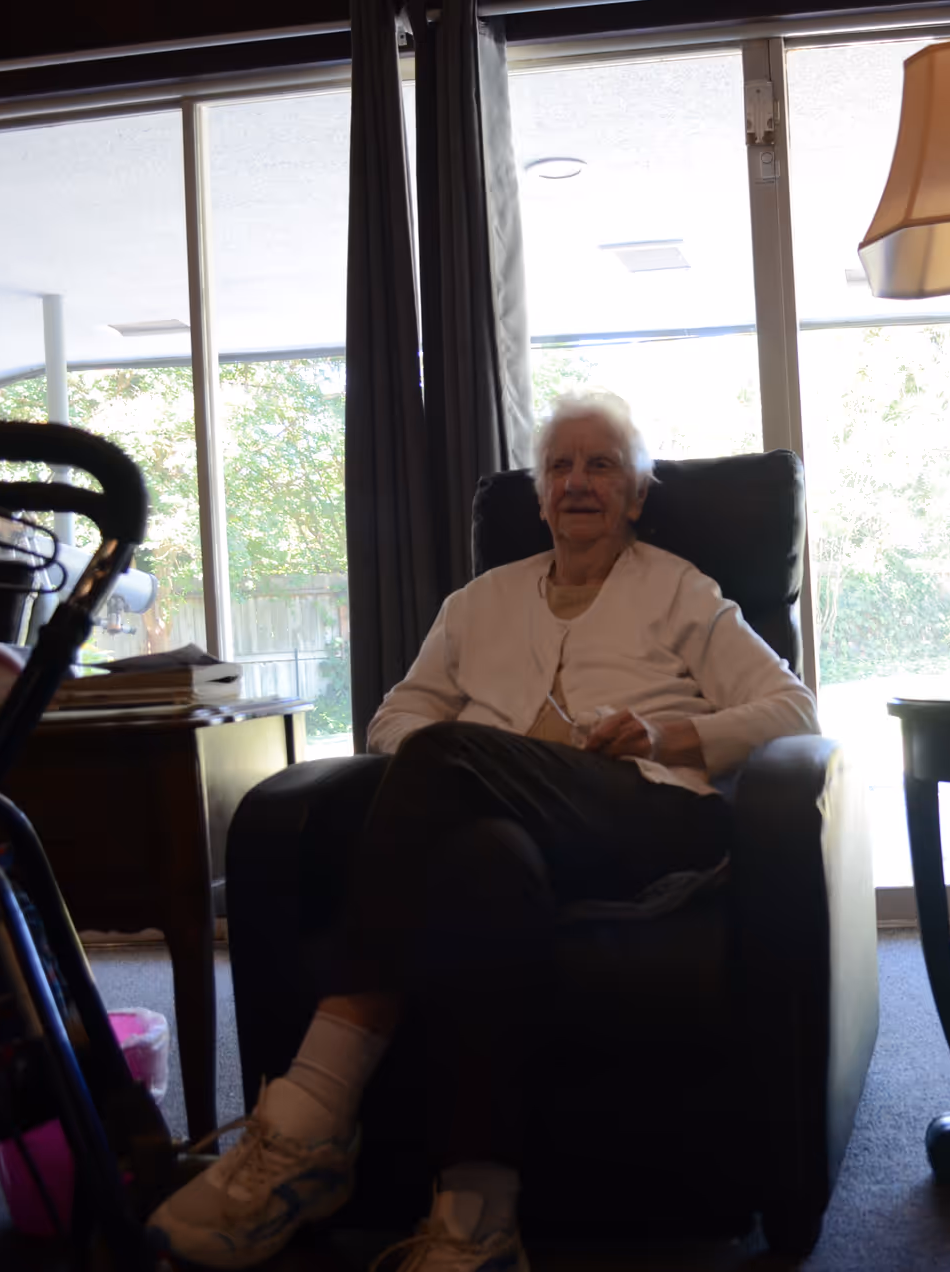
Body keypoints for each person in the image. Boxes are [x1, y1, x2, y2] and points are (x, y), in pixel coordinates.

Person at [147, 393, 819, 1271]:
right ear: (538, 497)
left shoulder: (682, 592)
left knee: (445, 756)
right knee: (478, 857)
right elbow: (396, 720)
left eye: (602, 465)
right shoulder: (477, 604)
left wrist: (673, 735)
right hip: (515, 831)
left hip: (649, 814)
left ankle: (310, 1117)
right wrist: (480, 771)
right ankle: (477, 1213)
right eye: (561, 468)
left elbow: (792, 706)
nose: (578, 482)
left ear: (638, 495)